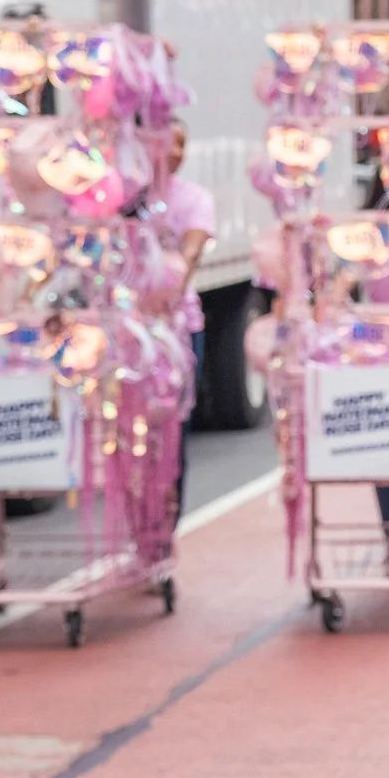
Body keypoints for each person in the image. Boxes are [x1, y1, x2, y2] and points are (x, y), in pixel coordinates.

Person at [160, 121, 218, 530]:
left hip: (178, 329)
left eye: (183, 143)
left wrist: (167, 287)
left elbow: (191, 251)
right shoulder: (125, 198)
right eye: (169, 142)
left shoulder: (195, 199)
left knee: (174, 432)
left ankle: (166, 526)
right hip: (129, 330)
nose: (175, 151)